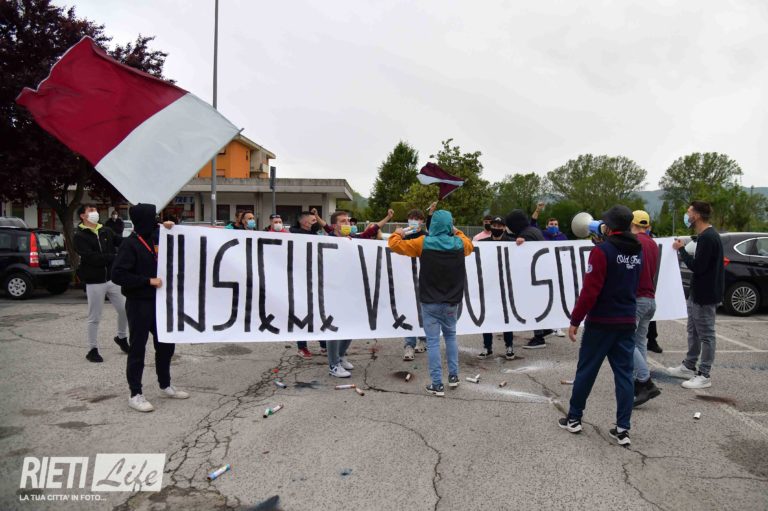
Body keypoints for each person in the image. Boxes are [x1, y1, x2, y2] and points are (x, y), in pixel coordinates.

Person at [559, 205, 642, 446]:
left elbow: (590, 291)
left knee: (586, 370)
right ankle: (623, 428)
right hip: (626, 320)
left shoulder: (602, 252)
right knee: (624, 375)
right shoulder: (638, 250)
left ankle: (574, 418)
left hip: (601, 322)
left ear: (609, 226)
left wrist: (575, 320)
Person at [112, 204, 189, 412]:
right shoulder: (130, 244)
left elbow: (169, 233)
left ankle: (165, 385)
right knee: (138, 348)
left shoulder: (155, 236)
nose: (155, 221)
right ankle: (135, 394)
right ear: (142, 220)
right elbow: (118, 274)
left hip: (160, 303)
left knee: (166, 344)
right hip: (139, 303)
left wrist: (169, 226)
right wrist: (147, 281)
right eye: (152, 217)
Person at [388, 209, 474, 396]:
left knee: (433, 342)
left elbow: (394, 245)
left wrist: (398, 233)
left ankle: (437, 384)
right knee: (451, 337)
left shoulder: (423, 242)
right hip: (452, 301)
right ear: (450, 224)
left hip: (430, 300)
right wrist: (455, 230)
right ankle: (453, 376)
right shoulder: (460, 243)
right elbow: (470, 245)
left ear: (432, 224)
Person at [322, 208, 394, 377]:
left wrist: (387, 217)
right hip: (334, 291)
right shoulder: (326, 241)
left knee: (350, 326)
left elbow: (372, 230)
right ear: (334, 226)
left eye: (348, 221)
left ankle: (341, 356)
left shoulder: (354, 239)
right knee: (334, 328)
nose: (347, 223)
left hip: (351, 291)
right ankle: (333, 365)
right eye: (343, 221)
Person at [667, 201, 724, 390]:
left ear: (697, 215)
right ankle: (688, 366)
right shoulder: (704, 236)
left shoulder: (708, 237)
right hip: (697, 293)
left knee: (706, 335)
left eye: (689, 211)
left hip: (705, 296)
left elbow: (697, 267)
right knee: (693, 331)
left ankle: (704, 374)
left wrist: (681, 249)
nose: (687, 215)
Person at [74, 204, 129, 363]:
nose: (95, 212)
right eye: (90, 210)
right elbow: (91, 258)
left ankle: (121, 338)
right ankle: (92, 350)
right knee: (95, 317)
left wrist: (138, 237)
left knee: (125, 310)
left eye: (95, 210)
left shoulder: (106, 230)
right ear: (83, 216)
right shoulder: (79, 236)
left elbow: (121, 241)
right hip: (94, 281)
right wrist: (115, 257)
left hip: (112, 279)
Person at [506, 209, 556, 348]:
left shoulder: (525, 235)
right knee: (538, 303)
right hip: (541, 274)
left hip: (532, 276)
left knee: (532, 305)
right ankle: (545, 329)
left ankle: (539, 337)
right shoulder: (534, 230)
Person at [630, 210, 662, 407]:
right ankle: (639, 381)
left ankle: (645, 381)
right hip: (650, 299)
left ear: (631, 223)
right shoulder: (652, 243)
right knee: (640, 341)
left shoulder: (634, 242)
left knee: (624, 340)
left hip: (637, 298)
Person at [477, 216, 517, 360]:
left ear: (504, 228)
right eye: (494, 225)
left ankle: (509, 346)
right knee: (487, 316)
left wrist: (521, 242)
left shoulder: (512, 242)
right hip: (488, 286)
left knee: (507, 317)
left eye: (500, 226)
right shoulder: (482, 243)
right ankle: (487, 347)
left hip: (506, 285)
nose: (497, 228)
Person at [289, 210, 326, 357]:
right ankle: (302, 346)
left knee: (318, 312)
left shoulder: (315, 235)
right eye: (313, 220)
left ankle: (324, 344)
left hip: (315, 277)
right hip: (299, 279)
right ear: (303, 222)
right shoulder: (293, 235)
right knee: (302, 313)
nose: (316, 223)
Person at [401, 209, 428, 361]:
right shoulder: (403, 236)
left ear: (422, 221)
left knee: (423, 311)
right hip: (406, 281)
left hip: (424, 279)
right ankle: (409, 345)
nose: (413, 221)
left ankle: (423, 339)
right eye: (411, 218)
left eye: (417, 219)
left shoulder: (426, 236)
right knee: (409, 311)